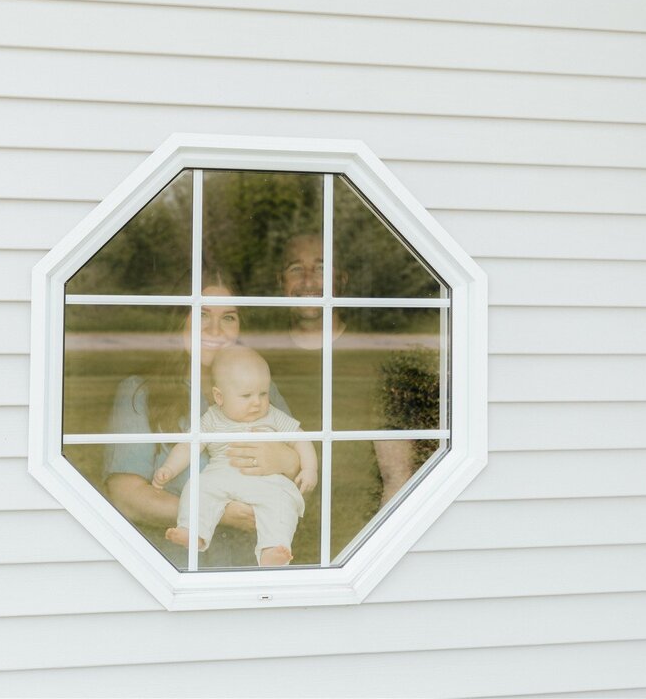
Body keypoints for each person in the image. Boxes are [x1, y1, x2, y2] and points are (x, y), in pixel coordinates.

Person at [102, 272, 302, 567]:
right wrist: (219, 512)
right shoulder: (139, 391)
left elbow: (300, 464)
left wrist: (285, 460)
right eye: (201, 314)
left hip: (254, 566)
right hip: (173, 567)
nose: (215, 330)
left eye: (229, 318)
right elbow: (127, 497)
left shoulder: (262, 390)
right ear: (179, 319)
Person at [278, 233, 415, 505]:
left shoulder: (373, 360)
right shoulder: (258, 358)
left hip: (356, 534)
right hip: (272, 534)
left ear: (342, 279)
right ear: (279, 281)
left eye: (321, 268)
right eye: (296, 269)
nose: (308, 280)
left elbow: (397, 477)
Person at [155, 346, 317, 566]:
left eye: (263, 393)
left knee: (282, 502)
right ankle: (193, 531)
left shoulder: (273, 416)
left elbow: (300, 438)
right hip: (222, 475)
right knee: (197, 488)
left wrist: (309, 469)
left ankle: (274, 548)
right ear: (219, 397)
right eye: (246, 396)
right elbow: (189, 445)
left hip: (267, 481)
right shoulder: (212, 419)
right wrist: (170, 469)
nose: (257, 402)